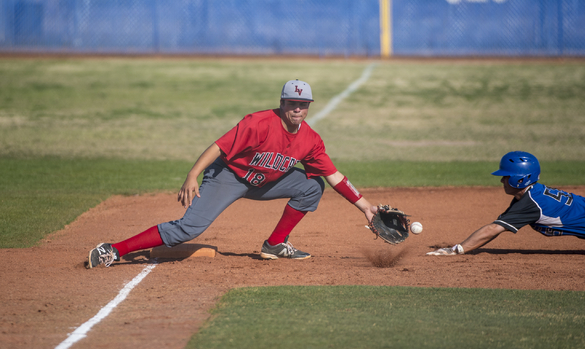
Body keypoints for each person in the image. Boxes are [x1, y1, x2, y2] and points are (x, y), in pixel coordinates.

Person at [88, 79, 377, 268]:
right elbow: (219, 146)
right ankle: (113, 250)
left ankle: (275, 245)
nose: (297, 110)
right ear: (282, 103)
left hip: (265, 182)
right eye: (292, 103)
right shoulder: (259, 123)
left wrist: (366, 207)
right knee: (188, 230)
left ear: (309, 107)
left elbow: (334, 175)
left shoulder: (311, 140)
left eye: (303, 105)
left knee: (312, 186)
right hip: (229, 176)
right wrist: (193, 175)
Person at [426, 151, 585, 256]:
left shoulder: (529, 204)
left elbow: (493, 229)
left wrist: (457, 250)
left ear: (520, 179)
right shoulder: (532, 193)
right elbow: (499, 222)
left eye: (506, 176)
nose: (502, 180)